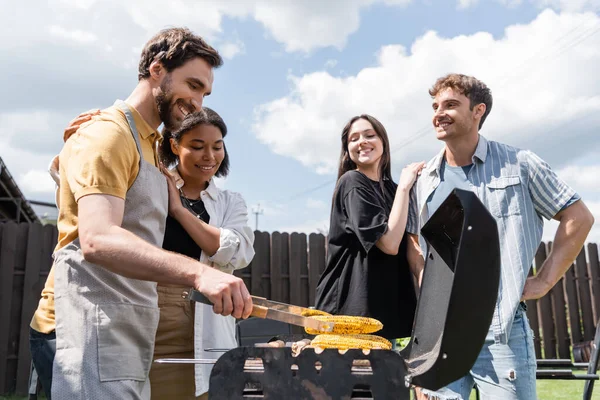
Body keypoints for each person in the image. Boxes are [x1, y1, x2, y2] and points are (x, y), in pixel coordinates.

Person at [28, 27, 253, 400]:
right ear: (157, 69)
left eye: (204, 92)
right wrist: (199, 273)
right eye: (192, 85)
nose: (198, 102)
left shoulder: (149, 146)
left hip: (122, 321)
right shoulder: (108, 133)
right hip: (82, 324)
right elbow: (97, 238)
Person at [406, 73, 594, 400]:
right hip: (438, 332)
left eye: (451, 104)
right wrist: (425, 280)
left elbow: (578, 217)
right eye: (435, 106)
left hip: (500, 332)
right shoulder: (425, 178)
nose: (438, 113)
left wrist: (545, 280)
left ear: (478, 110)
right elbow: (414, 241)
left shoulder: (519, 165)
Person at [150, 108, 255, 399]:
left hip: (210, 319)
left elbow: (233, 251)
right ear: (174, 145)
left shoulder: (230, 201)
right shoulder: (151, 186)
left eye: (217, 146)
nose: (209, 156)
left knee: (209, 390)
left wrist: (180, 212)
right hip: (154, 316)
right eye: (197, 147)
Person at [314, 114, 425, 342]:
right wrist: (405, 187)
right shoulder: (352, 182)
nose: (362, 141)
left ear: (383, 142)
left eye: (369, 135)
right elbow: (389, 244)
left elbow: (411, 247)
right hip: (350, 316)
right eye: (354, 138)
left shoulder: (394, 191)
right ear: (347, 150)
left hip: (383, 314)